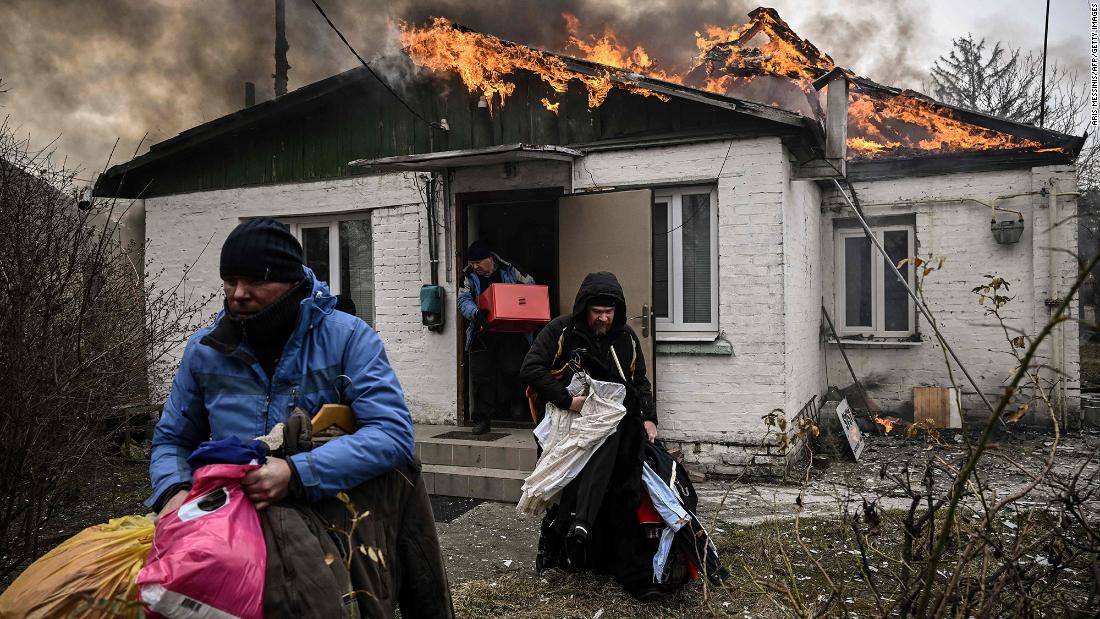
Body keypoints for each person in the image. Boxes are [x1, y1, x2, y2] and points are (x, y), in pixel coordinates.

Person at [147, 217, 452, 618]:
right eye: (230, 280)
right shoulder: (204, 350)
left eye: (255, 281)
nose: (238, 294)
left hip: (330, 529)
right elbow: (173, 440)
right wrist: (174, 491)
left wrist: (297, 472)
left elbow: (393, 436)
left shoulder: (347, 338)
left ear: (292, 281)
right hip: (225, 532)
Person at [519, 271, 663, 599]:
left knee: (610, 492)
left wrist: (649, 418)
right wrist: (569, 401)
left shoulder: (626, 338)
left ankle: (593, 559)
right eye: (597, 311)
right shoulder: (561, 331)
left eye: (608, 312)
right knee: (560, 490)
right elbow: (531, 369)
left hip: (611, 432)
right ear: (585, 308)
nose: (602, 317)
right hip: (563, 430)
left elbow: (639, 381)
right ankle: (549, 559)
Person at [457, 240, 535, 434]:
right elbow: (463, 300)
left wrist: (516, 301)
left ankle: (517, 403)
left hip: (511, 332)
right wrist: (476, 313)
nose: (475, 267)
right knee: (482, 377)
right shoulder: (468, 276)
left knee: (513, 370)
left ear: (490, 259)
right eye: (472, 263)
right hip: (482, 333)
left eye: (478, 262)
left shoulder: (510, 270)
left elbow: (531, 287)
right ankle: (482, 419)